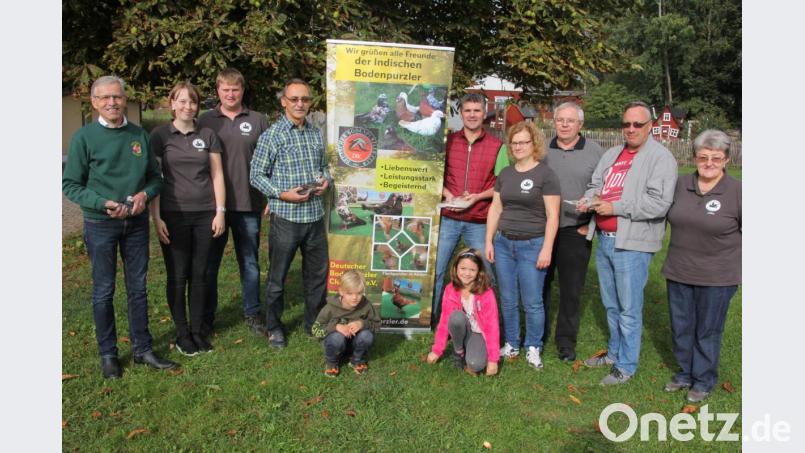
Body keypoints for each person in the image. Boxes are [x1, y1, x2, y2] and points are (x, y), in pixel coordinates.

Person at [62, 75, 177, 378]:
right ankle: (108, 354)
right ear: (94, 102)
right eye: (105, 98)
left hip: (136, 224)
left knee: (137, 288)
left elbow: (156, 178)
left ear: (126, 99)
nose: (112, 102)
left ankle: (142, 349)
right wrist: (102, 203)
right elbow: (71, 185)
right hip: (101, 224)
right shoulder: (83, 139)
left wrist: (144, 195)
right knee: (104, 290)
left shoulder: (138, 135)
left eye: (117, 97)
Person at [579, 101, 678, 385]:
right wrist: (591, 199)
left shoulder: (661, 158)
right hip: (605, 239)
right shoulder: (613, 153)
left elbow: (658, 204)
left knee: (629, 308)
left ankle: (626, 365)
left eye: (638, 124)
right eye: (627, 124)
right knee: (611, 304)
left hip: (632, 244)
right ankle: (613, 353)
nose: (631, 129)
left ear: (650, 126)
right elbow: (595, 183)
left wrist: (615, 207)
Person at [250, 78, 331, 349]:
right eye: (294, 99)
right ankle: (274, 327)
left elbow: (323, 167)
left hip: (314, 217)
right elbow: (256, 175)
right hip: (286, 217)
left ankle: (313, 323)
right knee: (277, 278)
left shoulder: (314, 133)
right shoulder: (272, 135)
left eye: (305, 99)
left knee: (317, 276)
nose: (300, 104)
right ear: (284, 101)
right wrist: (280, 194)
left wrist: (325, 181)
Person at [661, 129, 741, 403]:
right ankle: (684, 373)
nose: (709, 163)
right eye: (703, 157)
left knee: (707, 329)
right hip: (679, 270)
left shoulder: (738, 192)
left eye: (716, 158)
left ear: (726, 160)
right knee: (681, 326)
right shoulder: (680, 185)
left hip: (718, 276)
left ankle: (704, 379)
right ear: (694, 157)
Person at [150, 81, 226, 355]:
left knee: (200, 274)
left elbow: (217, 175)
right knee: (178, 275)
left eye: (192, 101)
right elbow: (155, 179)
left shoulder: (207, 135)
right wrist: (156, 218)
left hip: (205, 214)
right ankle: (182, 333)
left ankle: (196, 331)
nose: (187, 106)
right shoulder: (159, 136)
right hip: (173, 215)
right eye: (181, 101)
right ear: (172, 104)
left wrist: (220, 211)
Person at [199, 68, 270, 338]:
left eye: (235, 89)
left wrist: (270, 196)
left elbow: (270, 159)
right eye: (225, 89)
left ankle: (252, 313)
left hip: (248, 204)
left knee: (250, 263)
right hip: (212, 206)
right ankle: (207, 317)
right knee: (210, 264)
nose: (230, 94)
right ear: (218, 91)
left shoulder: (258, 119)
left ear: (242, 91)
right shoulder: (206, 120)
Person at [485, 121, 560, 370]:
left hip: (532, 245)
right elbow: (496, 208)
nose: (518, 147)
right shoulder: (506, 173)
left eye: (523, 142)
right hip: (505, 244)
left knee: (532, 301)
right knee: (507, 299)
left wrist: (547, 248)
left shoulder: (545, 175)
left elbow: (553, 216)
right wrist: (489, 240)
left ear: (533, 144)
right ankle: (512, 343)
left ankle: (533, 346)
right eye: (514, 143)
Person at [433, 93, 504, 327]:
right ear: (461, 113)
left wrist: (477, 197)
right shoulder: (448, 142)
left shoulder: (497, 146)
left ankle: (487, 322)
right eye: (467, 110)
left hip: (479, 219)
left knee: (487, 273)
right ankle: (431, 320)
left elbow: (502, 185)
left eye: (477, 110)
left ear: (484, 113)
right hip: (449, 218)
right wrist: (447, 194)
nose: (472, 115)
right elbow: (433, 173)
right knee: (437, 269)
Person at [541, 102, 605, 362]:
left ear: (580, 124)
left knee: (571, 289)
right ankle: (538, 336)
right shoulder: (542, 149)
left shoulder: (596, 152)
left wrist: (588, 224)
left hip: (574, 229)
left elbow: (602, 188)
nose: (565, 124)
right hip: (544, 228)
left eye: (570, 120)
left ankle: (566, 342)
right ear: (554, 122)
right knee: (540, 285)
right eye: (560, 120)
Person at [427, 248, 500, 376]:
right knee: (456, 318)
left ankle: (471, 351)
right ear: (455, 268)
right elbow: (444, 321)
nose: (467, 273)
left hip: (478, 333)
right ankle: (458, 351)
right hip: (461, 329)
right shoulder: (450, 289)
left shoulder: (486, 293)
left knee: (475, 364)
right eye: (463, 268)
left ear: (479, 272)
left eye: (472, 270)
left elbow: (492, 327)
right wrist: (437, 350)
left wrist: (493, 360)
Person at [311, 270, 381, 377]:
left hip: (356, 343)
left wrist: (362, 324)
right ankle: (332, 362)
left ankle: (357, 360)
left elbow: (377, 325)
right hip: (336, 343)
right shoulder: (330, 308)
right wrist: (335, 327)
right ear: (341, 291)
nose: (355, 297)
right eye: (350, 293)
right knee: (336, 338)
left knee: (367, 336)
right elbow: (315, 330)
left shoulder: (366, 306)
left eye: (359, 293)